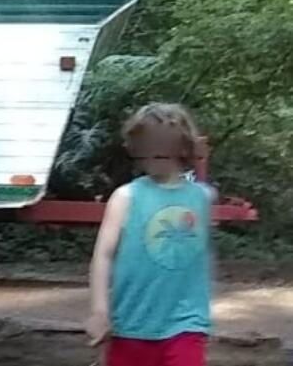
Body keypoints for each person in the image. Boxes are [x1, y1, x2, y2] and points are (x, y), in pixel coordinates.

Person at [87, 103, 214, 366]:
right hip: (131, 323)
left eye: (161, 151)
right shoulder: (126, 197)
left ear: (181, 147)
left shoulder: (202, 198)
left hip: (186, 323)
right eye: (146, 151)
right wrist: (99, 310)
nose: (152, 159)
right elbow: (103, 255)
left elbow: (202, 254)